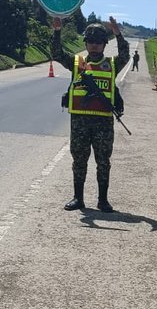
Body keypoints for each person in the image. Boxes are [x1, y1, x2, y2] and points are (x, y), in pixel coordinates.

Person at [53, 16, 130, 213]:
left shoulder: (111, 64)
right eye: (90, 42)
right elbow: (57, 53)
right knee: (79, 160)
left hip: (103, 121)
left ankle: (103, 200)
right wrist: (57, 31)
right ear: (85, 43)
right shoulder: (77, 62)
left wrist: (118, 33)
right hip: (79, 121)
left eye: (98, 42)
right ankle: (78, 198)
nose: (94, 46)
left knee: (103, 161)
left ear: (104, 44)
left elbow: (125, 55)